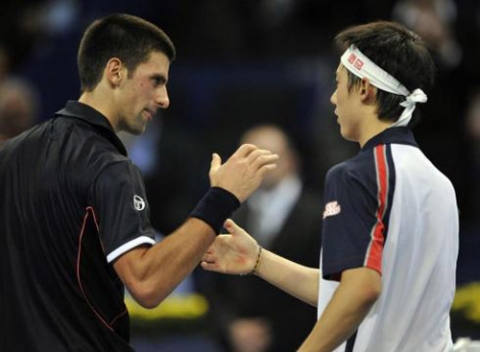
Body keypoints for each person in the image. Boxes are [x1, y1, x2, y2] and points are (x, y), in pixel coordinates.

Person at [0, 13, 278, 352]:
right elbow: (148, 284)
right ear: (115, 71)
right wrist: (222, 196)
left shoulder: (10, 154)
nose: (165, 99)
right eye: (156, 80)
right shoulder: (110, 167)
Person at [202, 20, 459, 352]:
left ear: (364, 89)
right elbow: (352, 289)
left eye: (338, 85)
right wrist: (260, 260)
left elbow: (361, 290)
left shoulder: (355, 175)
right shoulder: (440, 183)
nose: (333, 99)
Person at [204, 124, 322, 352]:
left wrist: (276, 333)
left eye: (265, 155)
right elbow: (212, 285)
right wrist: (230, 327)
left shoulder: (321, 215)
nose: (256, 164)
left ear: (291, 160)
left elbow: (329, 287)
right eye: (248, 156)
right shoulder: (229, 215)